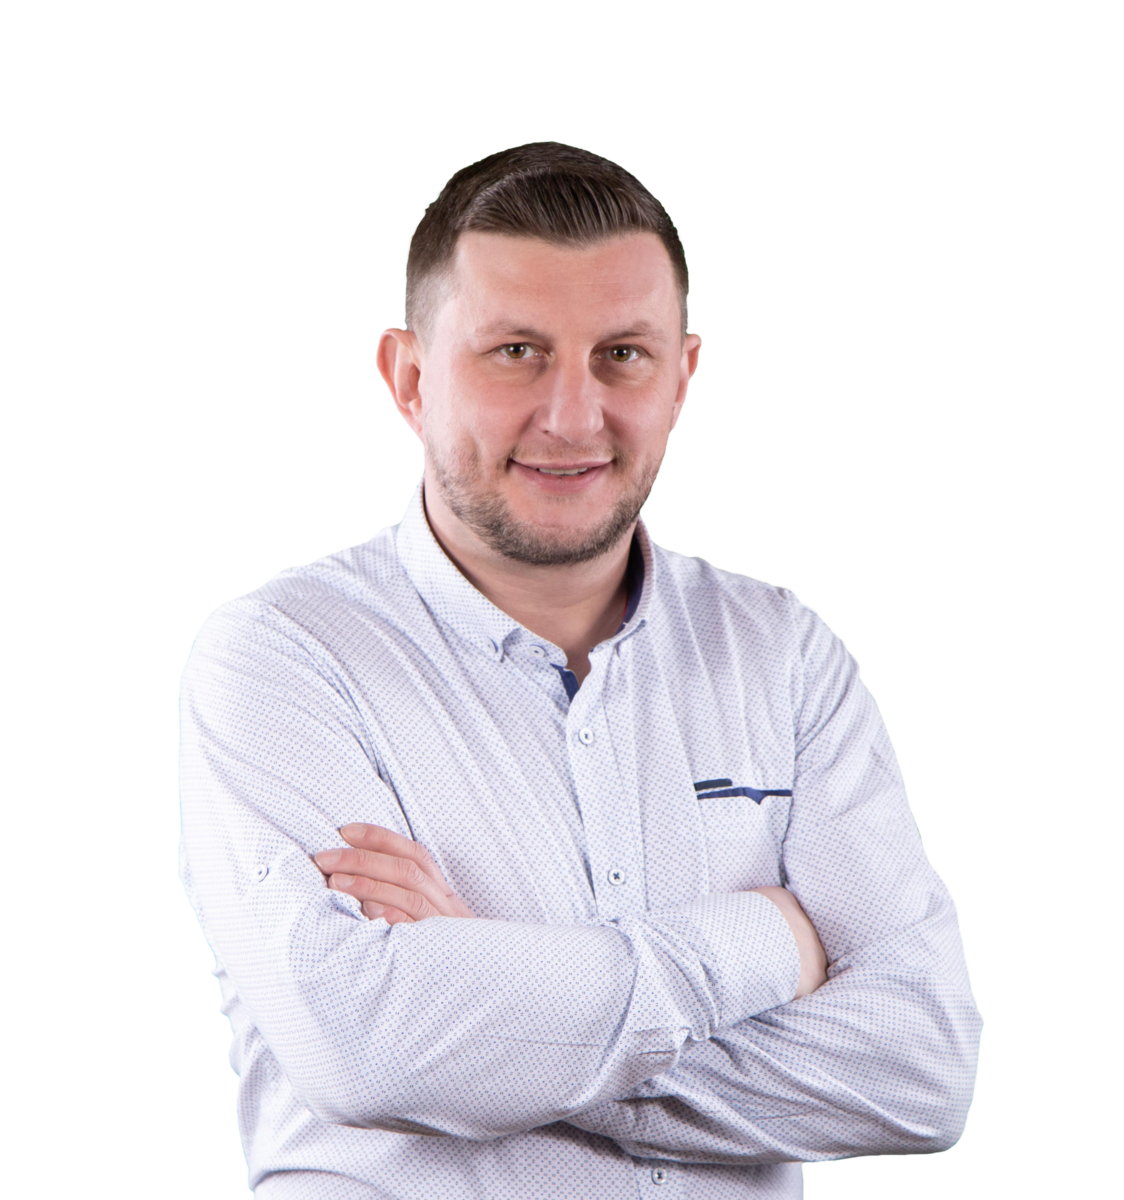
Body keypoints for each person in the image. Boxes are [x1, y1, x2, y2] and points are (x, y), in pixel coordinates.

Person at [177, 141, 984, 1199]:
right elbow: (364, 1048)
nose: (571, 417)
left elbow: (921, 1072)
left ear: (682, 377)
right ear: (408, 379)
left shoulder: (782, 652)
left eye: (622, 355)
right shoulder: (281, 656)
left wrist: (495, 1024)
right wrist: (761, 942)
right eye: (515, 351)